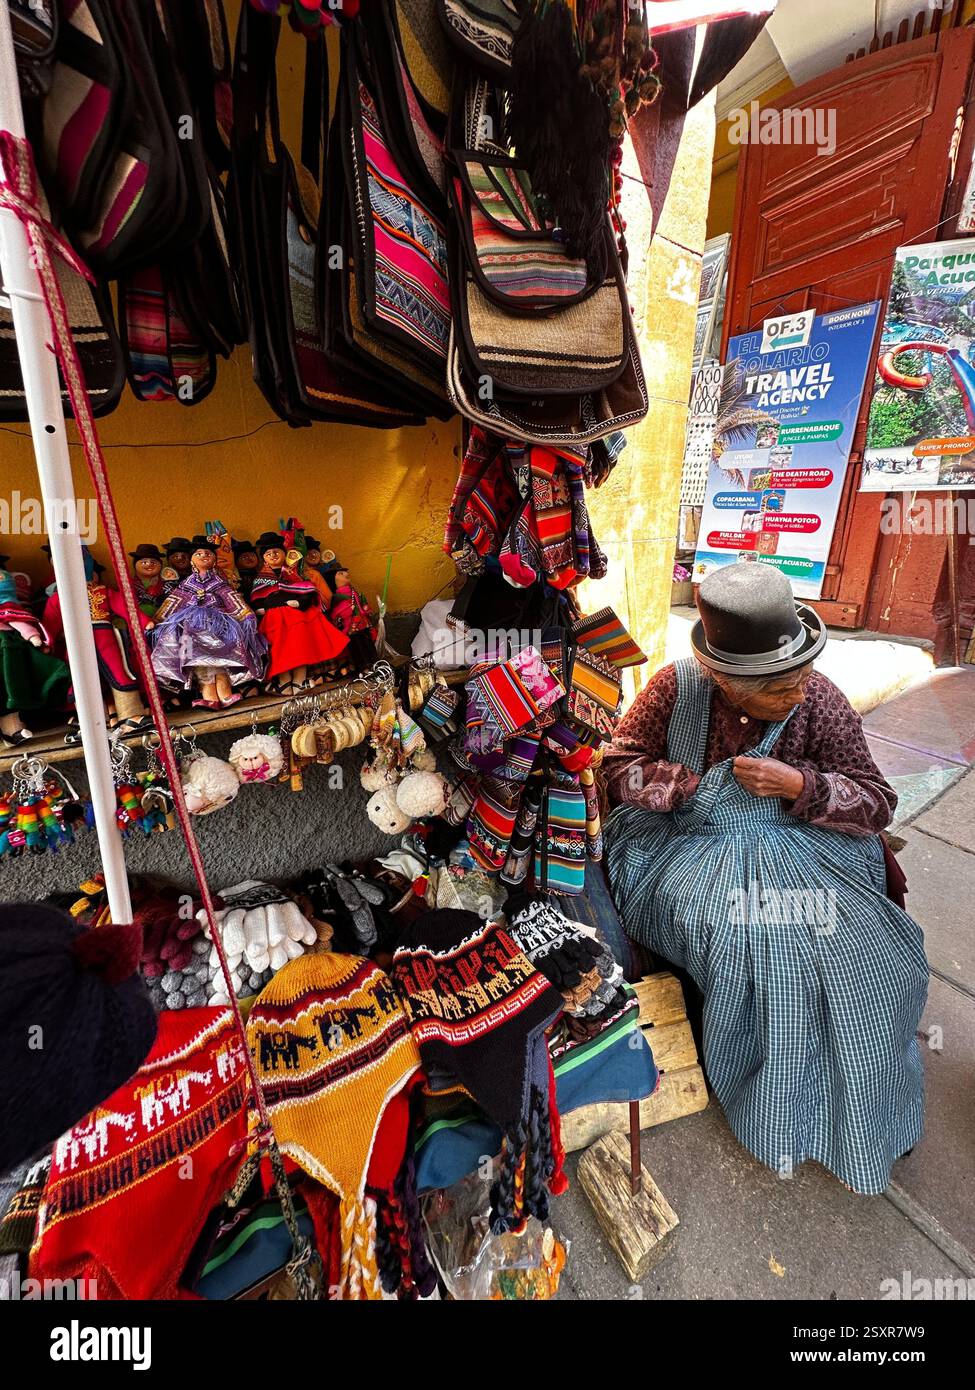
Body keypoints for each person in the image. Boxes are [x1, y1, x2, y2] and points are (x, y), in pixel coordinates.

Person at [602, 562, 928, 1195]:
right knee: (756, 943)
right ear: (726, 680)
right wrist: (685, 787)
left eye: (803, 675)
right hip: (687, 845)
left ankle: (869, 1114)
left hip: (805, 846)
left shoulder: (819, 698)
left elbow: (876, 800)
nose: (798, 694)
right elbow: (617, 768)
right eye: (780, 688)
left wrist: (802, 785)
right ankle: (776, 1106)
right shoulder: (676, 690)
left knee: (871, 955)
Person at [147, 536, 266, 709]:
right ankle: (209, 695)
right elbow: (174, 601)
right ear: (192, 560)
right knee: (199, 660)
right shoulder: (187, 584)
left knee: (221, 657)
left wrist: (246, 614)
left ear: (215, 559)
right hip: (192, 627)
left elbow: (231, 598)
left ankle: (224, 692)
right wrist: (157, 620)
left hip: (218, 624)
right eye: (199, 554)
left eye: (208, 554)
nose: (204, 556)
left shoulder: (219, 582)